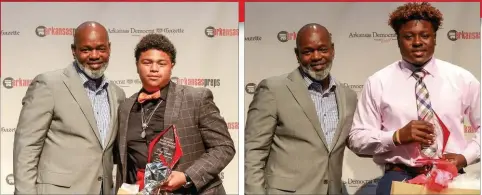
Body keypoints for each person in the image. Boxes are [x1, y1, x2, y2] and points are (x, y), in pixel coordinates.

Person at [347, 3, 481, 195]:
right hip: (400, 176)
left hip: (450, 177)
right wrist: (397, 136)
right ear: (398, 40)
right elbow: (357, 139)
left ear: (435, 38)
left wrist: (464, 157)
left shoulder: (462, 79)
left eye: (425, 35)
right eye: (409, 37)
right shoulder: (378, 82)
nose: (417, 42)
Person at [13, 21, 126, 194]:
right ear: (74, 50)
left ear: (109, 48)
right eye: (86, 49)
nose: (94, 55)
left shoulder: (117, 94)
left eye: (101, 48)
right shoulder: (49, 85)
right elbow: (26, 148)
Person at [114, 33, 235, 195]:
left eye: (161, 63)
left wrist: (187, 176)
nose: (154, 69)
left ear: (172, 65)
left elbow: (224, 147)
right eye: (147, 62)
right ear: (137, 65)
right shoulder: (126, 107)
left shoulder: (196, 99)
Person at [244, 23, 358, 195]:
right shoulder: (273, 89)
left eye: (322, 49)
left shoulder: (348, 96)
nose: (316, 56)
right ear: (297, 55)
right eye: (307, 51)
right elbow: (254, 152)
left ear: (332, 50)